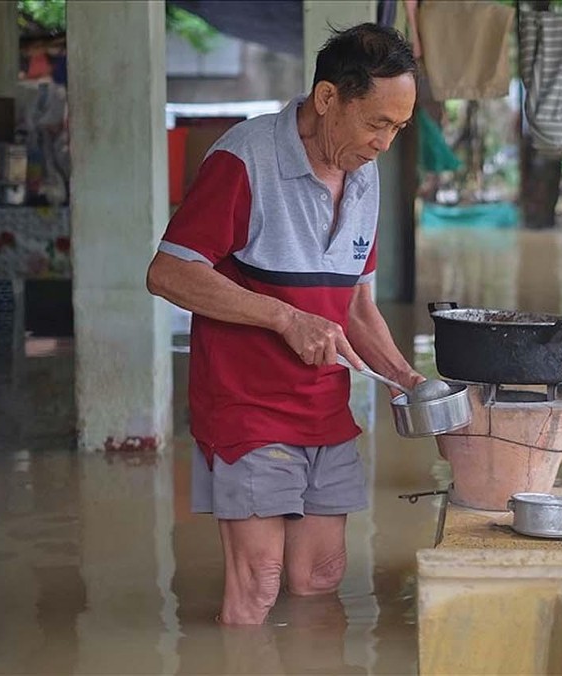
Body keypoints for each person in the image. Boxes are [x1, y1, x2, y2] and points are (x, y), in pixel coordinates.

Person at [146, 23, 422, 625]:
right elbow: (168, 273)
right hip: (246, 408)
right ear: (328, 98)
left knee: (319, 580)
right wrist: (283, 317)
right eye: (376, 123)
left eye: (397, 128)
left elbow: (354, 305)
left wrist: (410, 380)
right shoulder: (242, 159)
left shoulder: (365, 176)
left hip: (325, 408)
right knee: (260, 583)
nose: (385, 143)